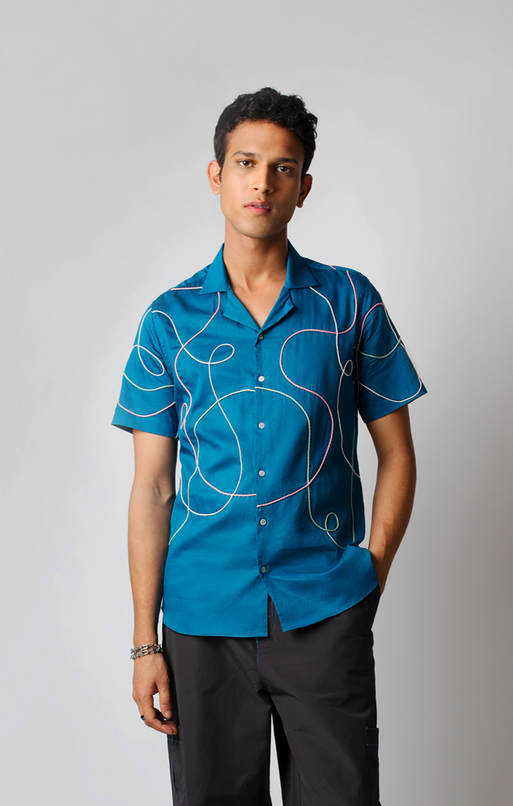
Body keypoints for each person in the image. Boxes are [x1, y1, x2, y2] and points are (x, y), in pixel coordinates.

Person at [112, 87, 426, 806]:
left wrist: (370, 571)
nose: (262, 182)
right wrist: (145, 643)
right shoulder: (169, 321)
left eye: (283, 168)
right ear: (216, 175)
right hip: (200, 621)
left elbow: (398, 454)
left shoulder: (349, 302)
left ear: (303, 187)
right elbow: (152, 487)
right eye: (246, 163)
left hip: (322, 610)